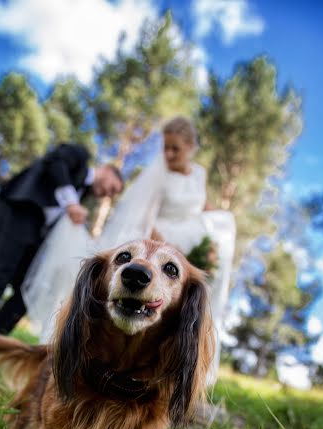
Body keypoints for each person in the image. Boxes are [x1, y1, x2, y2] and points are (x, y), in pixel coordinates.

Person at [23, 117, 236, 388]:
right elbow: (147, 222)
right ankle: (79, 362)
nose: (168, 155)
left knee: (225, 224)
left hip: (183, 251)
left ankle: (176, 377)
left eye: (176, 149)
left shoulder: (199, 175)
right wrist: (173, 256)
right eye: (165, 148)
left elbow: (204, 206)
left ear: (192, 146)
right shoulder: (160, 177)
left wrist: (209, 245)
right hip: (161, 245)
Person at [0, 143, 123, 334]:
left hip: (36, 232)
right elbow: (56, 162)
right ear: (107, 171)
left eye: (113, 194)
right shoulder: (79, 156)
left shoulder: (83, 195)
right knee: (2, 271)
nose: (108, 194)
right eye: (113, 188)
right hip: (20, 211)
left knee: (30, 286)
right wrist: (71, 203)